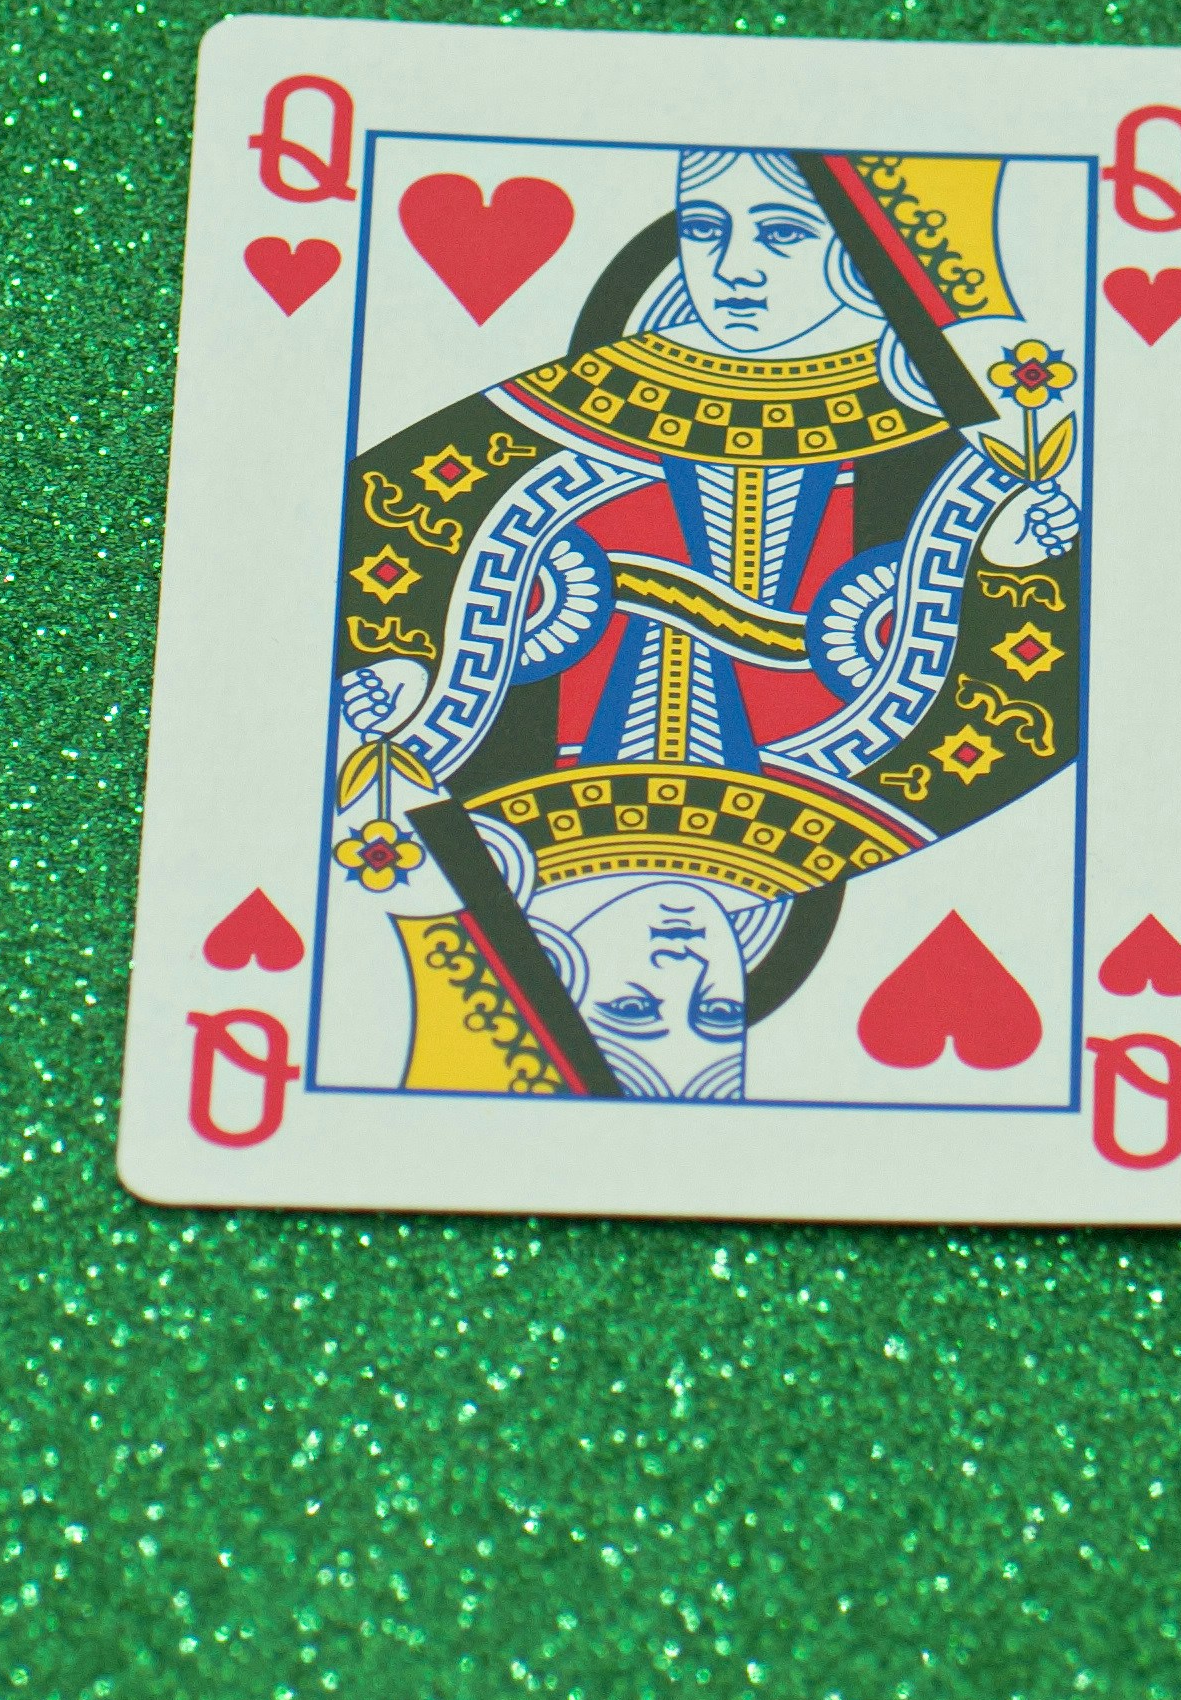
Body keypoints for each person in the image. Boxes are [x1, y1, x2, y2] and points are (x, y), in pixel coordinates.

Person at [328, 148, 1088, 1100]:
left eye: (780, 232)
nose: (733, 269)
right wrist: (1016, 557)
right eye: (701, 229)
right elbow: (1032, 689)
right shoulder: (559, 413)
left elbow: (359, 570)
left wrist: (391, 681)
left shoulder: (447, 790)